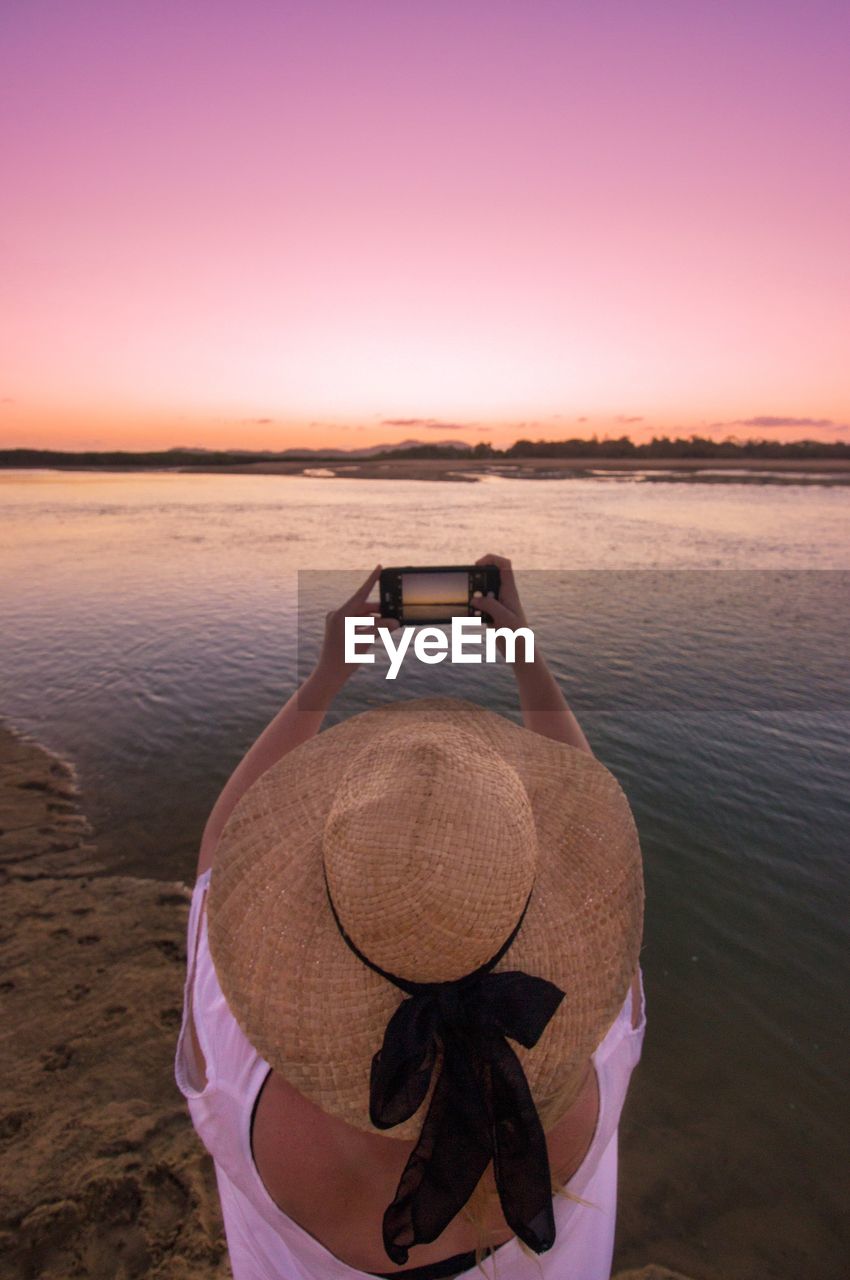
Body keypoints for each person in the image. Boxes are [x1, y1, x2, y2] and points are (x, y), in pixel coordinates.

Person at [174, 553, 646, 1280]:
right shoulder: (601, 1051)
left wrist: (326, 675)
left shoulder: (240, 1085)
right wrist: (526, 659)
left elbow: (216, 864)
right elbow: (596, 847)